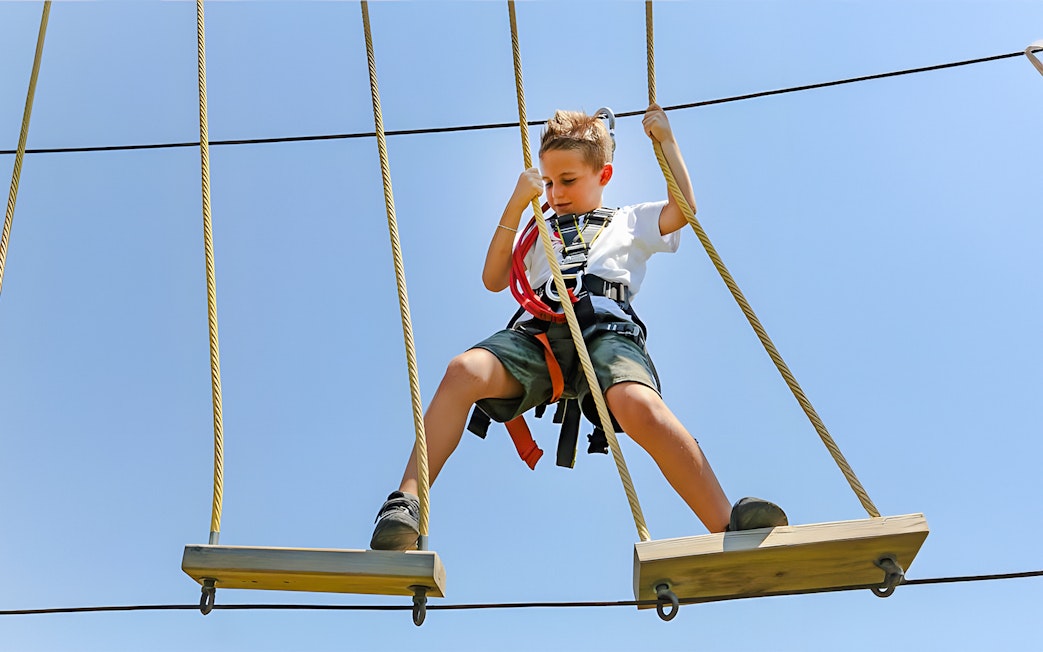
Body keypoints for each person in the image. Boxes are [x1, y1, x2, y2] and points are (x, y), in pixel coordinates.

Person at [370, 104, 786, 551]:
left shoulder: (629, 220)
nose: (556, 192)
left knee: (636, 404)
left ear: (603, 176)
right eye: (549, 183)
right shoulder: (537, 233)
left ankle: (726, 523)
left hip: (604, 329)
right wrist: (516, 203)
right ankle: (406, 502)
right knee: (463, 370)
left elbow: (682, 209)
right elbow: (493, 279)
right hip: (540, 333)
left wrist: (667, 143)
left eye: (568, 181)